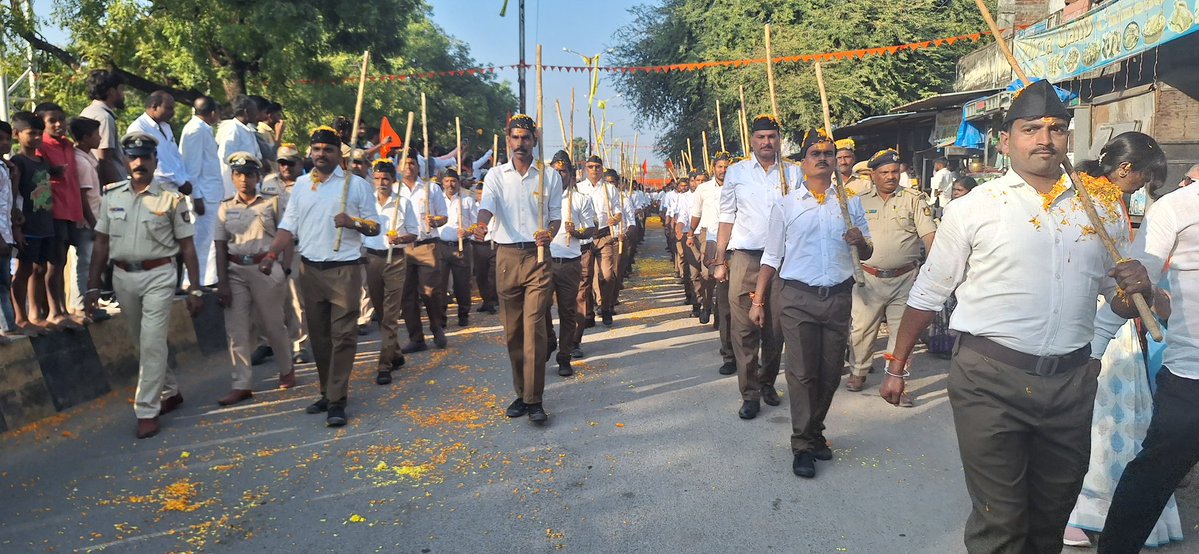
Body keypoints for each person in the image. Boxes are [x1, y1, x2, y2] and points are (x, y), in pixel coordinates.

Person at [878, 79, 1153, 553]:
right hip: (990, 379)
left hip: (1071, 382)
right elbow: (928, 292)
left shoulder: (1101, 208)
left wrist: (1137, 288)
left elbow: (1117, 297)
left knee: (1051, 517)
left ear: (1068, 138)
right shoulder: (974, 208)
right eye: (1031, 129)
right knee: (1001, 523)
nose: (1045, 139)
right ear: (1006, 141)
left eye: (1056, 128)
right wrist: (896, 365)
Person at [1056, 133, 1178, 550]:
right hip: (1091, 322)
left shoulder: (1111, 202)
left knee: (1121, 421)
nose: (1143, 187)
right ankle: (1076, 512)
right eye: (1144, 178)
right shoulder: (1084, 198)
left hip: (1117, 324)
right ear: (1125, 169)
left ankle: (1112, 513)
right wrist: (1098, 339)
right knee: (1092, 422)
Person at [748, 128, 872, 479]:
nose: (822, 158)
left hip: (837, 298)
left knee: (830, 373)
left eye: (828, 153)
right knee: (802, 373)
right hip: (797, 298)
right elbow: (771, 257)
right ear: (802, 163)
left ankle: (816, 430)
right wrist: (758, 300)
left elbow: (867, 252)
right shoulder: (786, 205)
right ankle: (802, 444)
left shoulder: (850, 203)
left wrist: (860, 241)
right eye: (815, 153)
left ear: (835, 161)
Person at [1098, 145, 1199, 552]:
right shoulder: (1176, 207)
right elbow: (1135, 287)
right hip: (1191, 377)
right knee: (1153, 476)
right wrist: (1093, 350)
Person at [84, 132, 204, 439]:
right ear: (125, 161)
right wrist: (93, 287)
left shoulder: (171, 199)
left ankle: (146, 410)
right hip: (122, 277)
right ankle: (170, 390)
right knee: (142, 341)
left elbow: (187, 247)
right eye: (133, 157)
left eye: (145, 157)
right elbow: (101, 243)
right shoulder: (112, 196)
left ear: (155, 160)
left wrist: (194, 288)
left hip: (159, 275)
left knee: (151, 340)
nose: (139, 163)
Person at [261, 126, 380, 427]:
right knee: (320, 337)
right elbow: (288, 226)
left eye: (328, 149)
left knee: (343, 336)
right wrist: (272, 254)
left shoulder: (356, 186)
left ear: (339, 154)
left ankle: (337, 401)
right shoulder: (302, 185)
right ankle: (327, 392)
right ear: (310, 152)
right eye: (316, 149)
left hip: (345, 270)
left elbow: (375, 227)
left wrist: (352, 222)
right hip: (310, 269)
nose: (321, 154)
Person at [474, 114, 563, 424]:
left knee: (534, 326)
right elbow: (487, 206)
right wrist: (481, 224)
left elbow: (555, 217)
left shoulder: (549, 176)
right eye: (515, 138)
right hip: (507, 257)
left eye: (526, 138)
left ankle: (534, 399)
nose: (520, 143)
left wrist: (549, 233)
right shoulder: (496, 175)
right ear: (508, 140)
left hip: (538, 256)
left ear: (534, 140)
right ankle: (521, 392)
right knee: (513, 331)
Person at [712, 115, 796, 420]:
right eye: (761, 137)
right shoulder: (737, 172)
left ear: (779, 139)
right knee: (744, 329)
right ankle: (749, 393)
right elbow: (726, 217)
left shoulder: (793, 172)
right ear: (752, 141)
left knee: (775, 328)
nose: (766, 142)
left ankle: (767, 382)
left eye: (772, 136)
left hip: (782, 260)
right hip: (745, 258)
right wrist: (720, 260)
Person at [846, 149, 936, 404]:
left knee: (901, 334)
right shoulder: (858, 201)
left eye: (895, 171)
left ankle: (897, 380)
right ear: (873, 175)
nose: (890, 176)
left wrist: (933, 272)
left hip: (904, 279)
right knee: (861, 331)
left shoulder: (913, 199)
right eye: (884, 172)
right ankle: (858, 372)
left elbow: (930, 236)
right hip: (868, 278)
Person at [212, 152, 295, 406]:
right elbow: (220, 246)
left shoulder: (272, 203)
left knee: (272, 325)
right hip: (235, 270)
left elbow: (287, 235)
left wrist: (285, 268)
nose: (243, 180)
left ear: (257, 177)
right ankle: (241, 384)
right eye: (238, 174)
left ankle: (286, 370)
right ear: (232, 177)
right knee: (236, 329)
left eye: (248, 174)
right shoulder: (225, 207)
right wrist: (222, 281)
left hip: (266, 269)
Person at [363, 158, 417, 385]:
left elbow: (414, 232)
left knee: (391, 314)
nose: (381, 183)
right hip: (371, 259)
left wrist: (400, 239)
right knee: (379, 311)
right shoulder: (366, 202)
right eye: (377, 178)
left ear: (393, 180)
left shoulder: (403, 203)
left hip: (395, 259)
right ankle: (395, 352)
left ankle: (384, 364)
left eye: (385, 178)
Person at [36, 102, 89, 329]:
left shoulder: (67, 144)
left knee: (63, 261)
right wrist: (51, 172)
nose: (59, 124)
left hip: (71, 210)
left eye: (61, 119)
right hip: (54, 211)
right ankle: (53, 311)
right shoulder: (41, 146)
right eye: (52, 121)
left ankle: (64, 309)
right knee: (53, 263)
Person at [546, 150, 595, 377]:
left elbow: (590, 228)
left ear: (570, 174)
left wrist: (577, 232)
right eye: (555, 171)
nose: (559, 175)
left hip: (570, 262)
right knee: (540, 308)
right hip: (544, 262)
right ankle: (549, 338)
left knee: (568, 311)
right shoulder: (540, 198)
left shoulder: (580, 199)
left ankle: (564, 355)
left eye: (563, 171)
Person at [261, 144, 311, 364]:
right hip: (271, 246)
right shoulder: (268, 183)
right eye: (282, 162)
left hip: (298, 246)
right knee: (266, 298)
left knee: (296, 299)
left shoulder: (308, 185)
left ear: (299, 163)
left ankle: (300, 344)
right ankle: (267, 343)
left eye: (291, 163)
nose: (286, 167)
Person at [396, 146, 449, 353]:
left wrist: (435, 220)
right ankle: (416, 338)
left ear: (418, 167)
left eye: (412, 163)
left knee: (430, 292)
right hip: (402, 248)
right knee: (406, 295)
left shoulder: (431, 189)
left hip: (427, 245)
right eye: (405, 163)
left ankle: (437, 327)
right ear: (399, 167)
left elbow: (444, 216)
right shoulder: (394, 190)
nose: (409, 167)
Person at [9, 111, 56, 335]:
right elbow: (13, 195)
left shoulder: (42, 161)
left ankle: (36, 315)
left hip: (44, 222)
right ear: (17, 134)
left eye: (39, 133)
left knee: (40, 268)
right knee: (24, 269)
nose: (37, 138)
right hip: (28, 225)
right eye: (31, 133)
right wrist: (16, 226)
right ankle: (20, 317)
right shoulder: (17, 162)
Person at [692, 152, 736, 374]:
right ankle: (729, 352)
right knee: (715, 285)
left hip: (741, 245)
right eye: (720, 166)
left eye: (727, 167)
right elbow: (696, 213)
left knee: (743, 303)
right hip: (713, 240)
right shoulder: (704, 189)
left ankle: (746, 353)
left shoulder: (741, 186)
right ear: (713, 168)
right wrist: (690, 232)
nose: (723, 170)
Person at [180, 95, 223, 288]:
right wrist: (196, 197)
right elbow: (191, 168)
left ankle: (207, 280)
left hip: (210, 194)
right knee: (200, 241)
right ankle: (194, 282)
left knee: (210, 240)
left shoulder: (203, 129)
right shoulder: (195, 130)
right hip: (203, 196)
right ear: (212, 113)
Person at [68, 116, 109, 322]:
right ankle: (80, 306)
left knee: (91, 262)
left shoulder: (87, 157)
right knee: (86, 263)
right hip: (87, 221)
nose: (100, 138)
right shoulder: (81, 162)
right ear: (85, 138)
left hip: (94, 216)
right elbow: (82, 196)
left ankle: (89, 304)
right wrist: (93, 223)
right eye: (96, 134)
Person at [436, 168, 476, 327]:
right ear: (442, 183)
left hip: (461, 247)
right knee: (440, 284)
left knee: (462, 283)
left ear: (458, 183)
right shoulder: (437, 200)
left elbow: (476, 224)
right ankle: (441, 317)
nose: (450, 184)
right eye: (447, 181)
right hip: (441, 246)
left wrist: (468, 232)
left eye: (453, 181)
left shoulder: (467, 200)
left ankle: (463, 314)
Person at [79, 69, 128, 186]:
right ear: (111, 92)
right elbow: (105, 159)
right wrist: (115, 190)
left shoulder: (87, 111)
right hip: (108, 188)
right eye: (121, 90)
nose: (123, 95)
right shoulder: (104, 117)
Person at [591, 166, 626, 327]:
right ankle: (593, 307)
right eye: (590, 167)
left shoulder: (610, 190)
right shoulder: (579, 188)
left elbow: (620, 214)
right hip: (585, 238)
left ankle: (606, 305)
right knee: (590, 276)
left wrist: (616, 220)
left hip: (606, 236)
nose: (594, 170)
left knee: (607, 274)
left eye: (597, 167)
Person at [216, 96, 263, 200]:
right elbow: (225, 155)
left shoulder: (247, 130)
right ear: (246, 112)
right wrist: (243, 167)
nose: (257, 114)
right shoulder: (233, 129)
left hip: (249, 183)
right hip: (235, 186)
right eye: (254, 110)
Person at [470, 181, 498, 315]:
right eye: (478, 193)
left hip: (492, 243)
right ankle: (485, 300)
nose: (480, 196)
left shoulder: (495, 206)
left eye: (483, 193)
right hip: (478, 244)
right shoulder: (473, 206)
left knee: (493, 275)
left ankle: (492, 301)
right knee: (481, 275)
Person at [673, 171, 700, 316]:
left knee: (707, 273)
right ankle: (695, 301)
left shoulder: (712, 194)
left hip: (710, 236)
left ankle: (708, 303)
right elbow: (682, 215)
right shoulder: (684, 197)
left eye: (701, 180)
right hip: (690, 236)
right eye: (694, 180)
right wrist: (679, 227)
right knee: (692, 271)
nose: (697, 183)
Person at [0, 121, 17, 342]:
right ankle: (6, 326)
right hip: (1, 236)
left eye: (7, 138)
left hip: (6, 232)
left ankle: (8, 326)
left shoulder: (5, 167)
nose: (5, 143)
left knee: (4, 282)